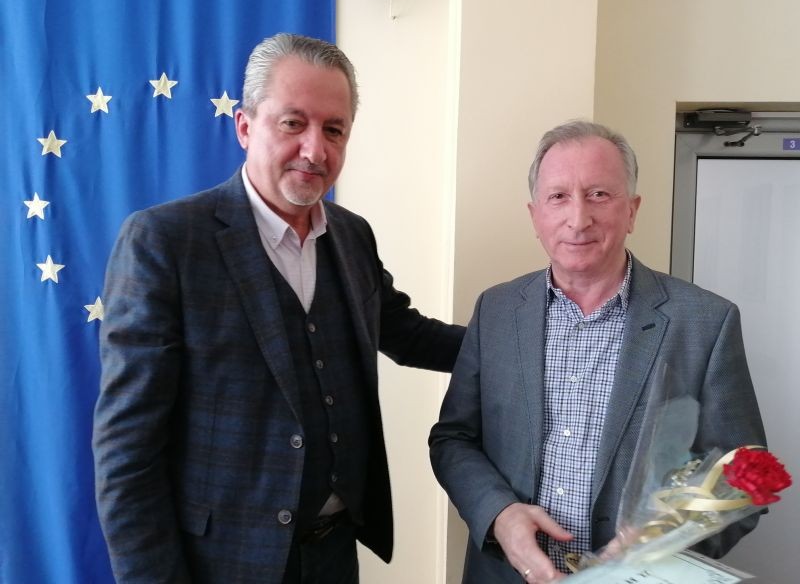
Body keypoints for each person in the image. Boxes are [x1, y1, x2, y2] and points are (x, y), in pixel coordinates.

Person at [93, 33, 465, 584]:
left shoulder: (352, 235)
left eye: (334, 129)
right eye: (293, 123)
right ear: (245, 127)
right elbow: (127, 453)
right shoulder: (165, 241)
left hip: (334, 555)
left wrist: (531, 338)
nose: (315, 150)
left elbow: (407, 333)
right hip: (220, 565)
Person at [428, 120, 766, 583]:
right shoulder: (497, 310)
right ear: (535, 216)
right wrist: (500, 515)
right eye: (558, 197)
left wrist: (661, 546)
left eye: (599, 195)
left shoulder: (706, 322)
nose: (578, 218)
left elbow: (745, 475)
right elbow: (454, 439)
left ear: (632, 210)